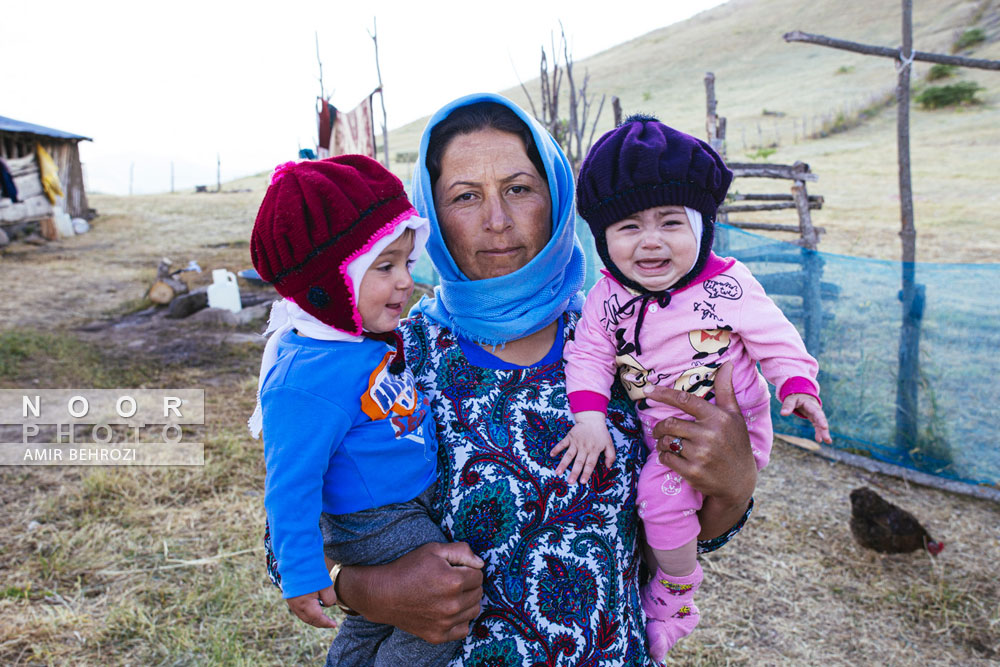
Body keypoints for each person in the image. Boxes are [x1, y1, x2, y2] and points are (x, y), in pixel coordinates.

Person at [291, 94, 757, 666]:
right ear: (431, 216)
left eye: (519, 188)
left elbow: (686, 525)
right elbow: (284, 534)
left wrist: (735, 483)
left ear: (557, 197)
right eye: (465, 197)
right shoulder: (388, 358)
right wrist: (365, 589)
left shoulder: (624, 343)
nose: (497, 221)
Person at [555, 114, 831, 661]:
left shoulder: (728, 285)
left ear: (703, 226)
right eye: (629, 227)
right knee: (657, 504)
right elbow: (587, 355)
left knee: (657, 500)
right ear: (604, 240)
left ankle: (676, 596)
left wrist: (797, 384)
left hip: (732, 435)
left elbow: (775, 338)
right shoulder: (607, 299)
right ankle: (664, 594)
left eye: (671, 222)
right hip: (669, 439)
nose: (651, 241)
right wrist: (587, 416)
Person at [248, 155, 479, 664]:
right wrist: (302, 573)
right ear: (327, 283)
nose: (405, 282)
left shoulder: (353, 338)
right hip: (376, 522)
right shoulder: (306, 377)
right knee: (445, 605)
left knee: (377, 622)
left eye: (406, 263)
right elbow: (290, 483)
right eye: (384, 267)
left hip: (400, 506)